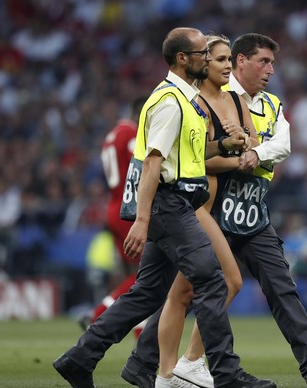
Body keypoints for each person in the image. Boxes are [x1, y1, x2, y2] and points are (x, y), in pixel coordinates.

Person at [123, 32, 307, 388]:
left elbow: (283, 144)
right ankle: (149, 363)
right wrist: (237, 155)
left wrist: (256, 152)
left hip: (251, 212)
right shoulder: (213, 93)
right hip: (214, 207)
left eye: (273, 63)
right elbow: (194, 151)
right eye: (263, 62)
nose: (270, 70)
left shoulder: (270, 105)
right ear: (240, 61)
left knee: (281, 286)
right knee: (188, 290)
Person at [52, 27, 275, 388]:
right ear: (183, 59)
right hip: (169, 205)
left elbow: (185, 156)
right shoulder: (171, 102)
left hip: (173, 203)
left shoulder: (183, 100)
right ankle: (227, 374)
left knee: (147, 292)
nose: (209, 58)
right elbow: (153, 162)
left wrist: (225, 145)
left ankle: (81, 357)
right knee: (212, 281)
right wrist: (141, 220)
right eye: (203, 53)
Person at [155, 33, 258, 388]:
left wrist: (243, 144)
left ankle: (167, 375)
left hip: (218, 208)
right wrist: (232, 156)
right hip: (195, 204)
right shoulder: (191, 102)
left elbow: (254, 143)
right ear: (201, 63)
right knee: (230, 281)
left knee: (181, 293)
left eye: (230, 59)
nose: (228, 65)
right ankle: (189, 363)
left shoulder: (234, 99)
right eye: (219, 59)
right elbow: (194, 161)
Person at [79, 95, 147, 332]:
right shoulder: (132, 134)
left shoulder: (113, 134)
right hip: (130, 209)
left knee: (138, 278)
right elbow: (139, 167)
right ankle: (98, 314)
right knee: (147, 276)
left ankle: (135, 329)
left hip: (114, 208)